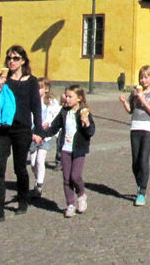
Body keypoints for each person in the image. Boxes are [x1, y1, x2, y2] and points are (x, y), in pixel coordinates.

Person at [0, 45, 43, 224]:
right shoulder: (3, 80)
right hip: (2, 129)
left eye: (16, 58)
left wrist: (38, 130)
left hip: (22, 129)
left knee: (19, 168)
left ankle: (23, 199)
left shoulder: (31, 81)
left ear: (23, 61)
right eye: (9, 58)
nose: (11, 61)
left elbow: (36, 106)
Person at [42, 84, 95, 218]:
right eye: (66, 95)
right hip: (65, 148)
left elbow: (91, 132)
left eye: (70, 96)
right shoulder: (64, 112)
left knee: (75, 176)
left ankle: (81, 195)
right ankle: (70, 204)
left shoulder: (84, 112)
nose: (67, 98)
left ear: (79, 98)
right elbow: (54, 127)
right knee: (66, 179)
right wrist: (41, 134)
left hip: (78, 149)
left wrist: (87, 123)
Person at [119, 66, 150, 207]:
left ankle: (142, 192)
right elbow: (131, 110)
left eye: (146, 77)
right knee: (135, 162)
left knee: (144, 159)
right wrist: (124, 102)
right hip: (135, 127)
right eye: (141, 77)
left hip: (148, 128)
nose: (143, 80)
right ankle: (139, 183)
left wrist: (143, 100)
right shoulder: (135, 92)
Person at [27, 77, 61, 198]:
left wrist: (49, 123)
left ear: (46, 89)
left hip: (45, 135)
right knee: (32, 163)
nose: (37, 90)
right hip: (32, 134)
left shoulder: (51, 102)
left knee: (40, 160)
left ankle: (39, 185)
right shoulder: (30, 101)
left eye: (40, 88)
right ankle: (37, 180)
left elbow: (57, 116)